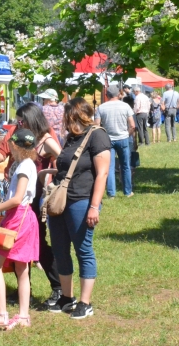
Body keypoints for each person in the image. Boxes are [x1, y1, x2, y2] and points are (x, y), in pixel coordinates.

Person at [42, 98, 110, 319]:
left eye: (67, 116)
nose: (64, 121)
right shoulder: (72, 138)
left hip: (81, 201)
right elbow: (66, 169)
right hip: (61, 202)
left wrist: (94, 207)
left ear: (78, 115)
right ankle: (67, 297)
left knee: (83, 250)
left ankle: (85, 302)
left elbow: (102, 174)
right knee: (60, 249)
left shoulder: (97, 135)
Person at [0, 103, 62, 307]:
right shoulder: (17, 132)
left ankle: (57, 287)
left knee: (38, 244)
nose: (17, 123)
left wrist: (51, 178)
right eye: (17, 120)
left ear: (31, 119)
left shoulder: (46, 137)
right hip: (16, 197)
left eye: (21, 120)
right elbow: (5, 150)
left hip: (33, 197)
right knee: (14, 245)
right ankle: (25, 291)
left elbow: (64, 159)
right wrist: (0, 156)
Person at [0, 129, 39, 330]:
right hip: (25, 217)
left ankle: (1, 314)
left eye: (10, 145)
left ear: (16, 146)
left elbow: (16, 198)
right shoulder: (29, 164)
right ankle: (23, 316)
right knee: (22, 268)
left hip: (18, 217)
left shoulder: (24, 167)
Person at [95, 85, 135, 198]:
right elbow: (132, 125)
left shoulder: (101, 107)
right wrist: (127, 135)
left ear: (107, 95)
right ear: (118, 94)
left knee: (109, 167)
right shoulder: (125, 106)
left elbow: (96, 125)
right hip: (123, 138)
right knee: (125, 166)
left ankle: (111, 193)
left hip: (108, 140)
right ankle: (128, 191)